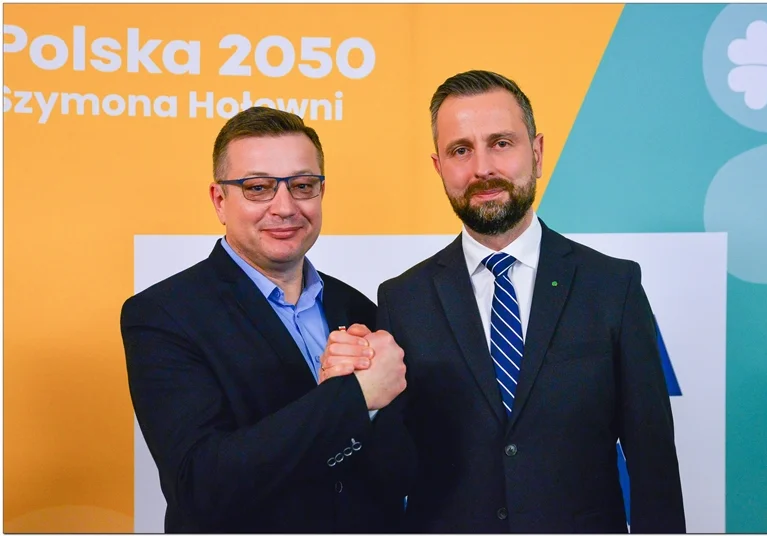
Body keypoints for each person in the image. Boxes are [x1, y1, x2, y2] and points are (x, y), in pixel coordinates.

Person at [323, 70, 686, 532]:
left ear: (536, 153)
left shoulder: (613, 287)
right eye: (461, 150)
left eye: (501, 143)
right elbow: (392, 467)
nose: (482, 168)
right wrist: (361, 403)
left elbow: (653, 460)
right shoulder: (403, 299)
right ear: (439, 167)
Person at [120, 107, 409, 533]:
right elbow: (200, 484)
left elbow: (399, 467)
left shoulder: (359, 309)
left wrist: (377, 409)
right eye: (258, 188)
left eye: (302, 186)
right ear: (220, 200)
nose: (285, 207)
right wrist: (352, 398)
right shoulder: (164, 315)